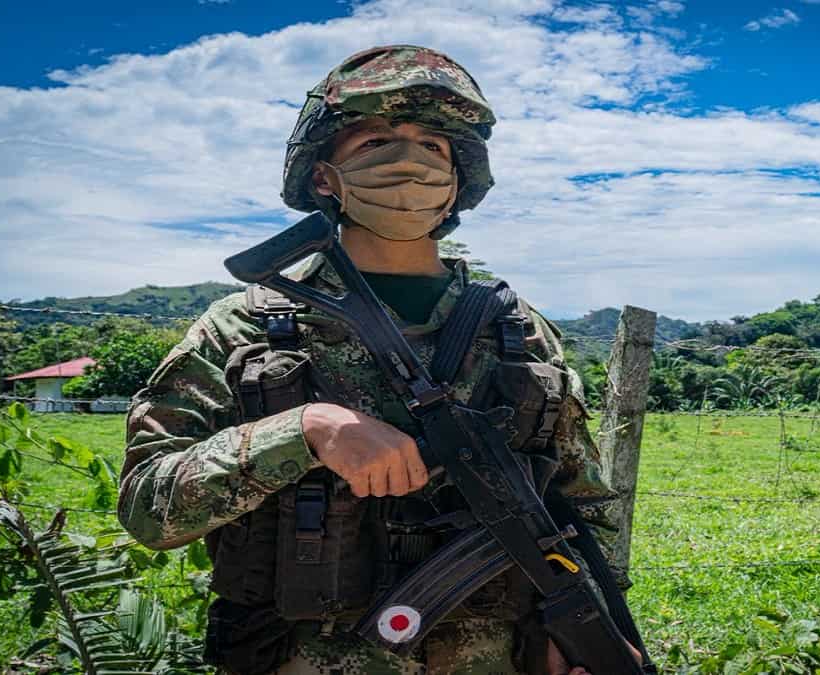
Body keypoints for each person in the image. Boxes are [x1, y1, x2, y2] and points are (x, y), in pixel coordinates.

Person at [117, 45, 637, 675]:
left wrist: (588, 626)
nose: (408, 163)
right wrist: (303, 431)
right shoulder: (246, 326)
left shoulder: (519, 333)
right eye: (374, 143)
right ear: (322, 177)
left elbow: (581, 506)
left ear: (457, 183)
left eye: (433, 147)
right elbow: (148, 507)